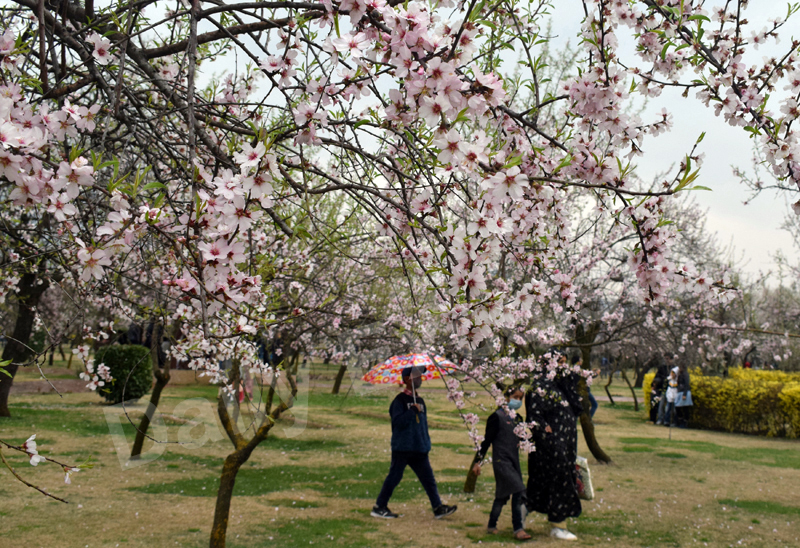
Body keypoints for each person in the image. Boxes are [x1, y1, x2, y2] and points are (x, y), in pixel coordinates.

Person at [371, 366, 457, 520]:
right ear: (406, 379)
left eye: (420, 375)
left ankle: (438, 507)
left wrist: (426, 442)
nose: (420, 378)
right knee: (394, 477)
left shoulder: (421, 401)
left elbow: (422, 425)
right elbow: (397, 422)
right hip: (403, 448)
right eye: (416, 376)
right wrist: (412, 412)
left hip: (419, 448)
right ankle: (379, 506)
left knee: (428, 479)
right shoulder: (399, 401)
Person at [525, 353, 583, 541]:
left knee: (555, 483)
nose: (562, 366)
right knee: (547, 483)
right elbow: (535, 416)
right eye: (559, 362)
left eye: (565, 363)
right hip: (549, 448)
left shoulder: (562, 385)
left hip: (566, 446)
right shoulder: (540, 387)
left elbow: (577, 406)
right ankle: (554, 524)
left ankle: (554, 522)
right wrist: (550, 438)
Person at [472, 386, 531, 541]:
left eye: (520, 398)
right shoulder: (496, 417)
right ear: (506, 397)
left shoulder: (518, 419)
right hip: (501, 461)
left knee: (502, 495)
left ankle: (492, 524)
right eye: (515, 397)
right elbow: (486, 442)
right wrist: (478, 462)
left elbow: (525, 440)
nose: (517, 401)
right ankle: (518, 528)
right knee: (518, 489)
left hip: (513, 461)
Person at [675, 363, 692, 428]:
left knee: (685, 408)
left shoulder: (685, 374)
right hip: (680, 391)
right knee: (678, 407)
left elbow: (686, 384)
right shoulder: (680, 374)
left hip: (684, 392)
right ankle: (680, 420)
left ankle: (685, 422)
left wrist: (684, 394)